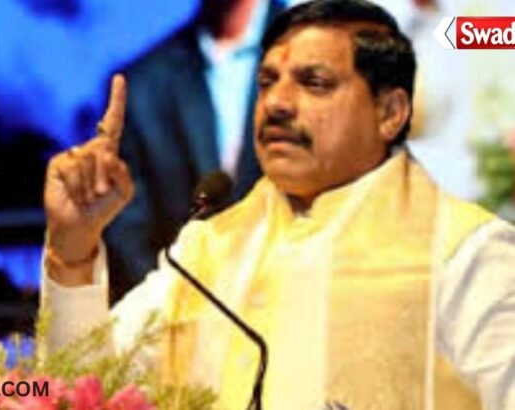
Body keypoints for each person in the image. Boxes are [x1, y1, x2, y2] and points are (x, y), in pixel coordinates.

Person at [41, 0, 515, 409]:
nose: (277, 103)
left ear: (389, 113)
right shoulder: (203, 253)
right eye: (267, 81)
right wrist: (73, 251)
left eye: (315, 82)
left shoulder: (463, 253)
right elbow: (82, 386)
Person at [105, 0, 284, 300]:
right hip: (178, 313)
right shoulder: (142, 84)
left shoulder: (323, 58)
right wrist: (176, 309)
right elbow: (126, 228)